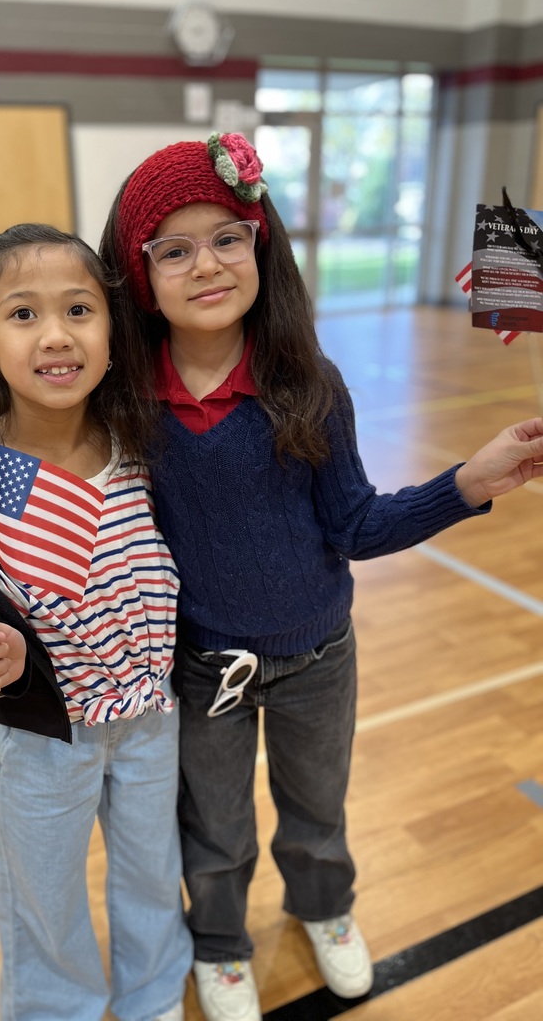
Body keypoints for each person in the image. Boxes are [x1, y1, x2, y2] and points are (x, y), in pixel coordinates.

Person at [98, 133, 543, 1021]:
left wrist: (463, 485)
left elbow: (355, 524)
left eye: (227, 237)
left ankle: (324, 909)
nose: (207, 265)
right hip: (202, 671)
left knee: (317, 810)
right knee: (214, 830)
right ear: (137, 274)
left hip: (317, 659)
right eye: (174, 250)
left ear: (262, 243)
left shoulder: (311, 383)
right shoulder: (125, 401)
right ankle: (221, 945)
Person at [0, 223, 193, 1021]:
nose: (56, 336)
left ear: (110, 328)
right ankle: (56, 1007)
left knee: (151, 870)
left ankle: (156, 993)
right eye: (23, 315)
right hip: (44, 741)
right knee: (43, 892)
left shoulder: (145, 445)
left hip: (151, 718)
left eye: (79, 310)